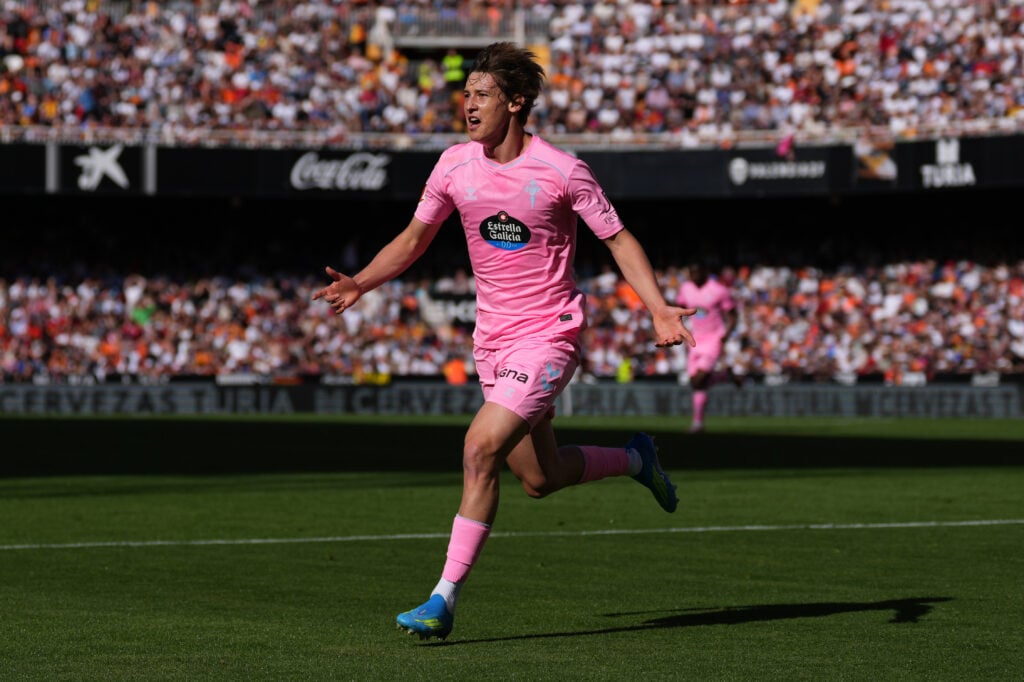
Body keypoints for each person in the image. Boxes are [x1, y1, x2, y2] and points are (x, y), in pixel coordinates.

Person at [312, 41, 696, 641]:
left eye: (482, 94)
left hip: (549, 337)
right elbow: (414, 239)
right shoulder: (453, 165)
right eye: (465, 94)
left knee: (478, 448)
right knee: (539, 479)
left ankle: (442, 601)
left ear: (516, 103)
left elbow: (619, 240)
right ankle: (634, 458)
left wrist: (657, 309)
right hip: (492, 341)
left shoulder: (563, 171)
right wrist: (362, 282)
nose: (468, 105)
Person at [674, 261, 739, 433]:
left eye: (696, 272)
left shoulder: (719, 290)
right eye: (691, 272)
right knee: (695, 384)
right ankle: (723, 377)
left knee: (699, 379)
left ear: (705, 272)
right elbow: (679, 308)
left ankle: (697, 423)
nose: (693, 276)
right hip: (694, 339)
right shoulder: (686, 288)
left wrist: (726, 335)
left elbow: (733, 314)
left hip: (713, 339)